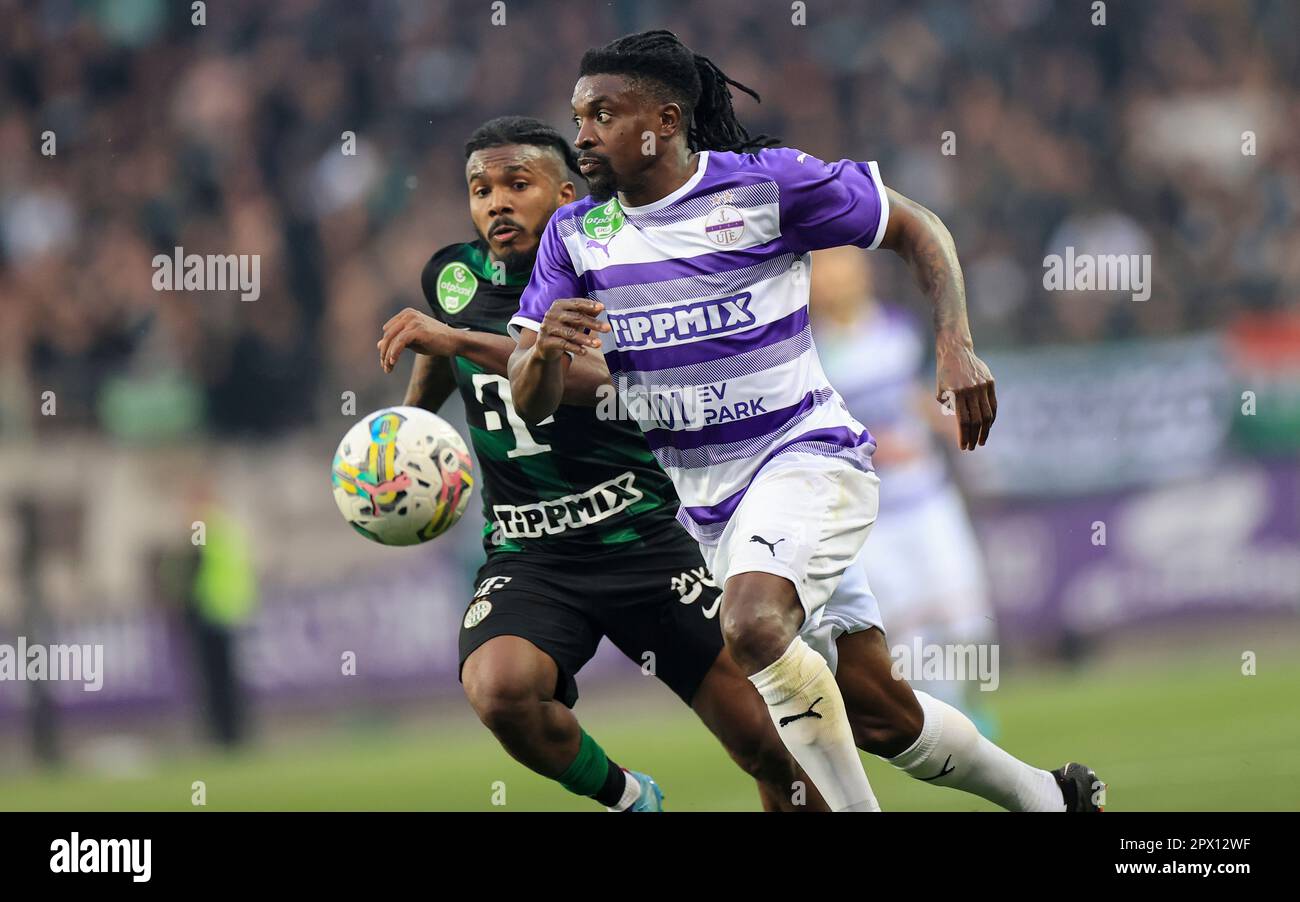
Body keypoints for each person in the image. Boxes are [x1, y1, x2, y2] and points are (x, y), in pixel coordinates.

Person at [506, 31, 1103, 812]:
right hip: (714, 506)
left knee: (752, 627)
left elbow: (916, 225)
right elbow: (531, 395)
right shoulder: (576, 236)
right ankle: (1051, 800)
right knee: (879, 713)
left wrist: (954, 344)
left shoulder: (764, 188)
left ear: (665, 118)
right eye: (578, 116)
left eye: (602, 115)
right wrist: (544, 357)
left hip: (808, 460)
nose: (580, 135)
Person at [377, 115, 826, 812]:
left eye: (515, 184)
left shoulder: (616, 262)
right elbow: (442, 358)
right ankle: (628, 798)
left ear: (563, 196)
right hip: (533, 553)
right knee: (500, 690)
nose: (495, 201)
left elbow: (596, 377)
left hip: (646, 537)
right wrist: (410, 434)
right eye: (479, 188)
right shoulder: (453, 279)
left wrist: (457, 338)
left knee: (768, 748)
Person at [810, 246, 999, 736]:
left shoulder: (896, 328)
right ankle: (951, 724)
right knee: (907, 630)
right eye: (828, 271)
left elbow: (918, 394)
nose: (839, 280)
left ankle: (955, 711)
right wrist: (871, 444)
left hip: (927, 496)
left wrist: (941, 417)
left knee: (966, 623)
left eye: (848, 268)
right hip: (869, 515)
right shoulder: (809, 349)